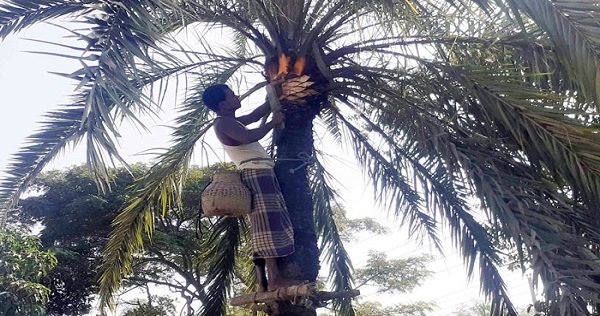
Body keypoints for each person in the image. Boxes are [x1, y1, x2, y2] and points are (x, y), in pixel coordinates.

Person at [202, 84, 303, 291]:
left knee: (268, 221)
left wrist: (273, 95)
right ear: (222, 104)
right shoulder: (222, 124)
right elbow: (249, 137)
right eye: (231, 95)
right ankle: (273, 279)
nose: (236, 96)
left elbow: (256, 115)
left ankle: (267, 281)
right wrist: (273, 123)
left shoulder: (231, 121)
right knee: (267, 222)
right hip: (256, 174)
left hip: (261, 172)